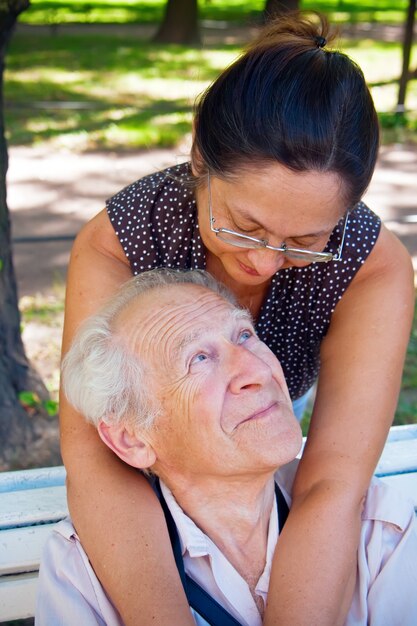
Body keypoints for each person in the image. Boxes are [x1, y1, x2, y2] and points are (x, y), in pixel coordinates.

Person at [60, 12, 415, 626]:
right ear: (200, 153)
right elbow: (99, 461)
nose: (265, 261)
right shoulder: (120, 241)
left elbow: (333, 477)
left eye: (304, 240)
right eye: (242, 227)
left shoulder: (368, 264)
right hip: (155, 426)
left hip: (277, 418)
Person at [37, 270, 417, 626]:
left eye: (244, 336)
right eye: (199, 359)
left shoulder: (379, 529)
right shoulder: (81, 571)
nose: (256, 370)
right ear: (132, 439)